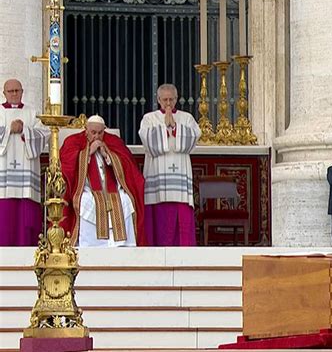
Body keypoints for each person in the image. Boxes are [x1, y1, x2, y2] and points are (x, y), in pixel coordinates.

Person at [60, 115, 146, 247]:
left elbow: (128, 165)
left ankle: (121, 244)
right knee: (86, 201)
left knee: (124, 200)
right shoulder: (73, 141)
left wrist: (108, 156)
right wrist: (88, 152)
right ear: (86, 130)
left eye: (100, 133)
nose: (97, 136)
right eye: (93, 132)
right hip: (86, 189)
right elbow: (68, 165)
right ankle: (90, 244)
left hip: (112, 190)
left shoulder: (113, 141)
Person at [139, 84, 201, 246]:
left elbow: (194, 137)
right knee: (158, 212)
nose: (168, 103)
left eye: (171, 99)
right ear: (158, 99)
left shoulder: (186, 118)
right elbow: (147, 140)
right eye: (165, 99)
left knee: (180, 210)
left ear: (176, 99)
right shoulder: (149, 118)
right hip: (157, 171)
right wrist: (164, 128)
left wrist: (174, 127)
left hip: (180, 171)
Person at [0, 79, 50, 246]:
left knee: (25, 218)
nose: (14, 94)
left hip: (27, 180)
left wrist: (25, 131)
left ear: (22, 92)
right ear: (4, 93)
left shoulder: (32, 113)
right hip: (3, 180)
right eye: (10, 91)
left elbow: (44, 133)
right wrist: (8, 130)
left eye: (17, 90)